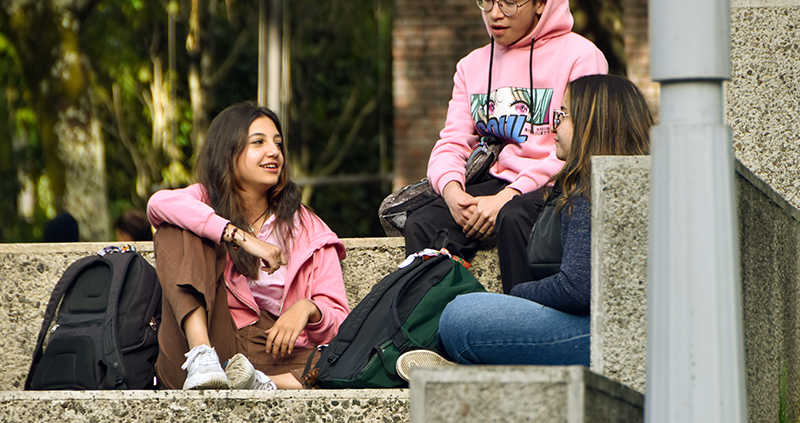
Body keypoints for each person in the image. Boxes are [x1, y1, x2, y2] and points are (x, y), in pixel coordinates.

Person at [395, 75, 653, 378]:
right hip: (620, 331)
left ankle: (474, 366)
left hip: (606, 337)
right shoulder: (631, 181)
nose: (554, 124)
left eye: (564, 114)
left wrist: (516, 295)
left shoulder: (594, 187)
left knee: (459, 316)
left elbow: (576, 288)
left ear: (593, 123)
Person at [402, 0, 608, 293]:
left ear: (541, 3)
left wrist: (506, 198)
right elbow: (451, 142)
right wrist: (454, 194)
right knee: (423, 222)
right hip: (495, 183)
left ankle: (520, 327)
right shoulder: (472, 66)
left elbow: (583, 146)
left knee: (515, 218)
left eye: (509, 2)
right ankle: (434, 333)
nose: (495, 13)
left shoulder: (581, 57)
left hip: (555, 183)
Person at [146, 103, 350, 391]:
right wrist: (241, 238)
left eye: (278, 144)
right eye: (258, 142)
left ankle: (259, 383)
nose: (274, 152)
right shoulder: (204, 200)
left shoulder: (306, 227)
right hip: (205, 344)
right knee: (176, 226)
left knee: (350, 359)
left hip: (276, 353)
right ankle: (201, 355)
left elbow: (342, 322)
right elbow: (158, 204)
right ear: (228, 152)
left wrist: (308, 309)